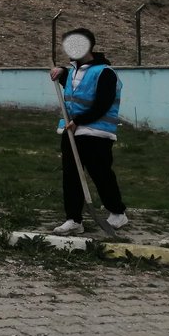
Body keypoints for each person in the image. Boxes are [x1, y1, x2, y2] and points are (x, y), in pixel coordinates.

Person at [50, 27, 130, 234]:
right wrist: (61, 71)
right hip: (71, 131)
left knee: (101, 174)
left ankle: (117, 214)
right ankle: (74, 219)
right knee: (71, 176)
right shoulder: (74, 71)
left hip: (97, 133)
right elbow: (73, 86)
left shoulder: (105, 72)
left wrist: (80, 121)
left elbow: (103, 103)